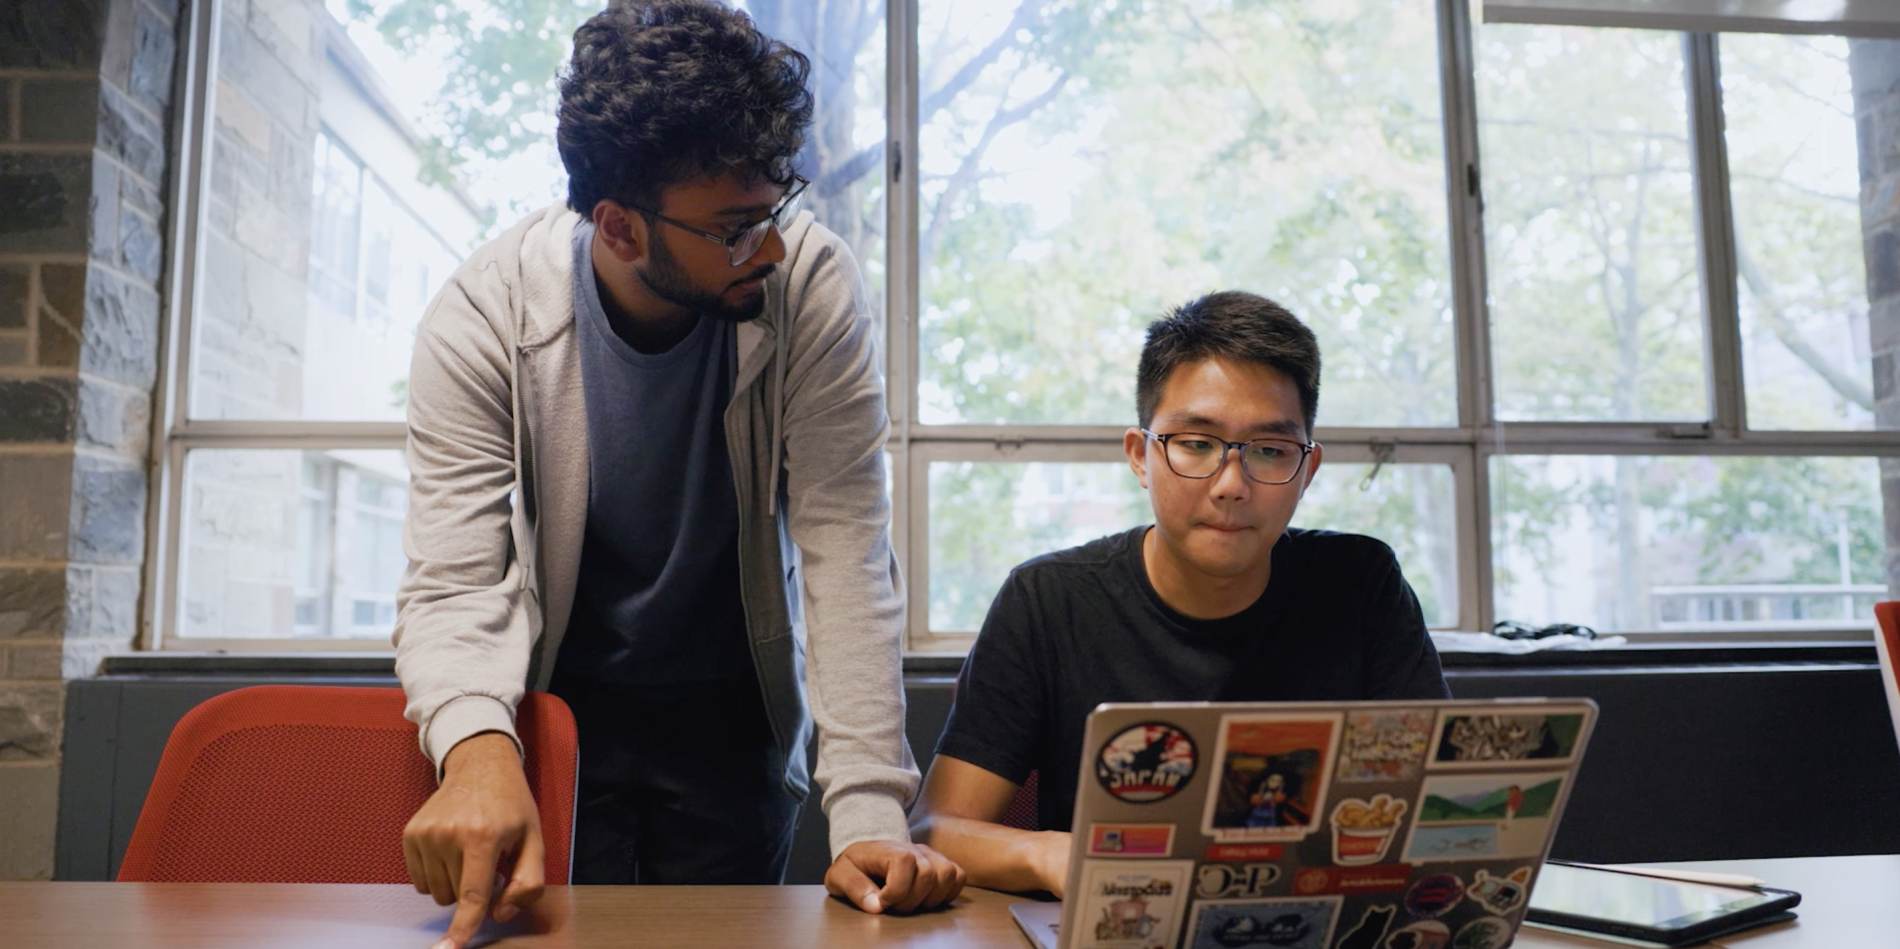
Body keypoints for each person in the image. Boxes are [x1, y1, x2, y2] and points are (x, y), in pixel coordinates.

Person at [393, 3, 960, 946]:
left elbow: (845, 550)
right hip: (558, 715)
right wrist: (478, 746)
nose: (771, 246)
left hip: (733, 720)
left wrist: (867, 809)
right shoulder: (484, 314)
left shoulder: (809, 288)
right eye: (736, 227)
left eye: (776, 207)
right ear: (618, 226)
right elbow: (455, 574)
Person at [909, 290, 1451, 896]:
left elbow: (1439, 812)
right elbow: (935, 828)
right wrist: (1055, 856)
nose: (1231, 485)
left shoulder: (1360, 585)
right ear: (1141, 456)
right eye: (1196, 444)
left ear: (1308, 469)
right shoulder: (1048, 599)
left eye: (1270, 451)